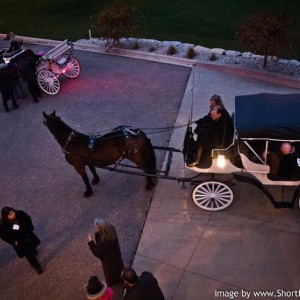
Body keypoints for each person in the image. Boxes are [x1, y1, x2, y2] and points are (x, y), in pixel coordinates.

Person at [0, 207, 43, 274]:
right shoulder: (4, 225)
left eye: (12, 212)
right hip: (20, 242)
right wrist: (13, 241)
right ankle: (37, 267)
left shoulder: (20, 214)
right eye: (10, 214)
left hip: (28, 235)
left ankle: (33, 250)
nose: (13, 214)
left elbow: (28, 218)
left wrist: (30, 228)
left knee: (34, 244)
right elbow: (4, 236)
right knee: (29, 255)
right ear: (6, 216)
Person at [88, 218, 124, 286]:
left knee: (110, 273)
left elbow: (97, 252)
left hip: (108, 260)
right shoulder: (111, 229)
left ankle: (112, 283)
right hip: (116, 255)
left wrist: (91, 242)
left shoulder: (102, 240)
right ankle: (121, 278)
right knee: (119, 268)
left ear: (98, 227)